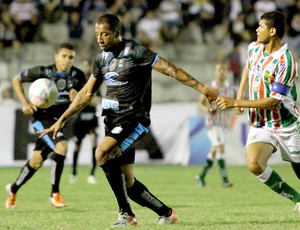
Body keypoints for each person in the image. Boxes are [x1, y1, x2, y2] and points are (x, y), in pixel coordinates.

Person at [38, 14, 219, 227]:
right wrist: (62, 119)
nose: (100, 39)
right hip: (112, 121)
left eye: (105, 34)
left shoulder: (135, 51)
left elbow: (171, 70)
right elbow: (86, 94)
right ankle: (167, 213)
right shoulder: (101, 59)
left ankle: (126, 214)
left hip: (134, 119)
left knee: (101, 153)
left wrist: (203, 89)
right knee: (128, 183)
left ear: (117, 33)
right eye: (97, 34)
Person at [216, 11, 300, 212]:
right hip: (261, 123)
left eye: (261, 26)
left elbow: (273, 102)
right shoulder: (254, 48)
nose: (256, 29)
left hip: (287, 124)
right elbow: (248, 67)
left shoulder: (286, 61)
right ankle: (298, 199)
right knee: (254, 164)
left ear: (272, 31)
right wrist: (240, 92)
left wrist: (237, 101)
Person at [4, 42, 86, 209]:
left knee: (36, 162)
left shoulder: (78, 76)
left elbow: (86, 99)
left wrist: (78, 98)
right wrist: (25, 103)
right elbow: (16, 79)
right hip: (42, 119)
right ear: (56, 56)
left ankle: (12, 189)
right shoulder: (43, 72)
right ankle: (54, 194)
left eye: (71, 57)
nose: (67, 60)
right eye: (64, 56)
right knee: (61, 147)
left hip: (59, 122)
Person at [195, 62, 235, 188]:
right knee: (220, 148)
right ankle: (225, 180)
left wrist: (231, 106)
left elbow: (234, 104)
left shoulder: (232, 88)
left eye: (223, 69)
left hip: (224, 123)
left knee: (214, 151)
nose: (221, 71)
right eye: (219, 69)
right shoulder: (210, 87)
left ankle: (201, 176)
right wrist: (206, 109)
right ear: (215, 72)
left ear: (227, 72)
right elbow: (200, 103)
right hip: (212, 123)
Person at [70, 59, 101, 185]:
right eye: (85, 66)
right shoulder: (78, 83)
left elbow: (98, 100)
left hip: (92, 119)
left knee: (94, 145)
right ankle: (73, 173)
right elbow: (74, 99)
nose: (87, 69)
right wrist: (89, 99)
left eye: (88, 66)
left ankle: (92, 174)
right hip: (80, 119)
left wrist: (85, 100)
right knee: (77, 145)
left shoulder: (96, 82)